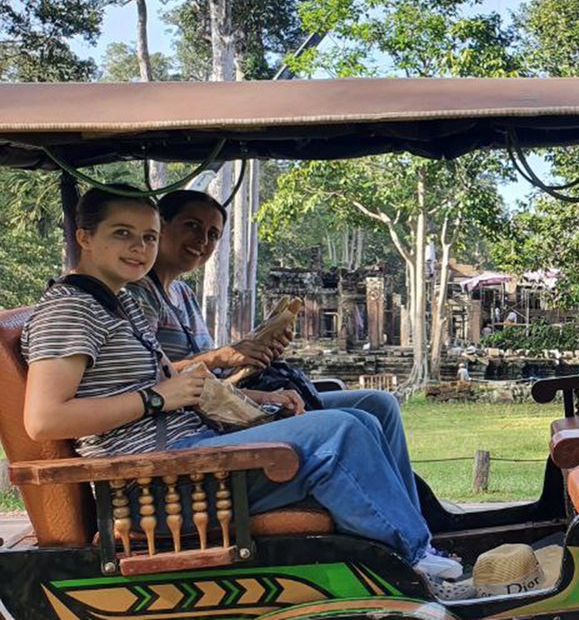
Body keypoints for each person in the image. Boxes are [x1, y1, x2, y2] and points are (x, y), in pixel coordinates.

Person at [20, 186, 461, 587]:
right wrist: (155, 397)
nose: (139, 248)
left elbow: (176, 385)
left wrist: (253, 398)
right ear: (84, 237)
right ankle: (410, 560)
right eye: (122, 234)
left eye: (149, 237)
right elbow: (44, 420)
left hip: (186, 458)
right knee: (340, 434)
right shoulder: (71, 311)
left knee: (361, 417)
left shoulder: (117, 303)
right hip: (152, 484)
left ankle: (412, 545)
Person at [126, 190, 421, 509]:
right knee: (350, 423)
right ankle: (401, 525)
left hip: (227, 401)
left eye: (213, 234)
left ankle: (410, 510)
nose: (203, 241)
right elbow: (159, 378)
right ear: (161, 225)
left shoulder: (183, 294)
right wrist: (223, 356)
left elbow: (217, 376)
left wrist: (255, 353)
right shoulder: (138, 295)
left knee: (379, 403)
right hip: (199, 422)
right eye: (193, 226)